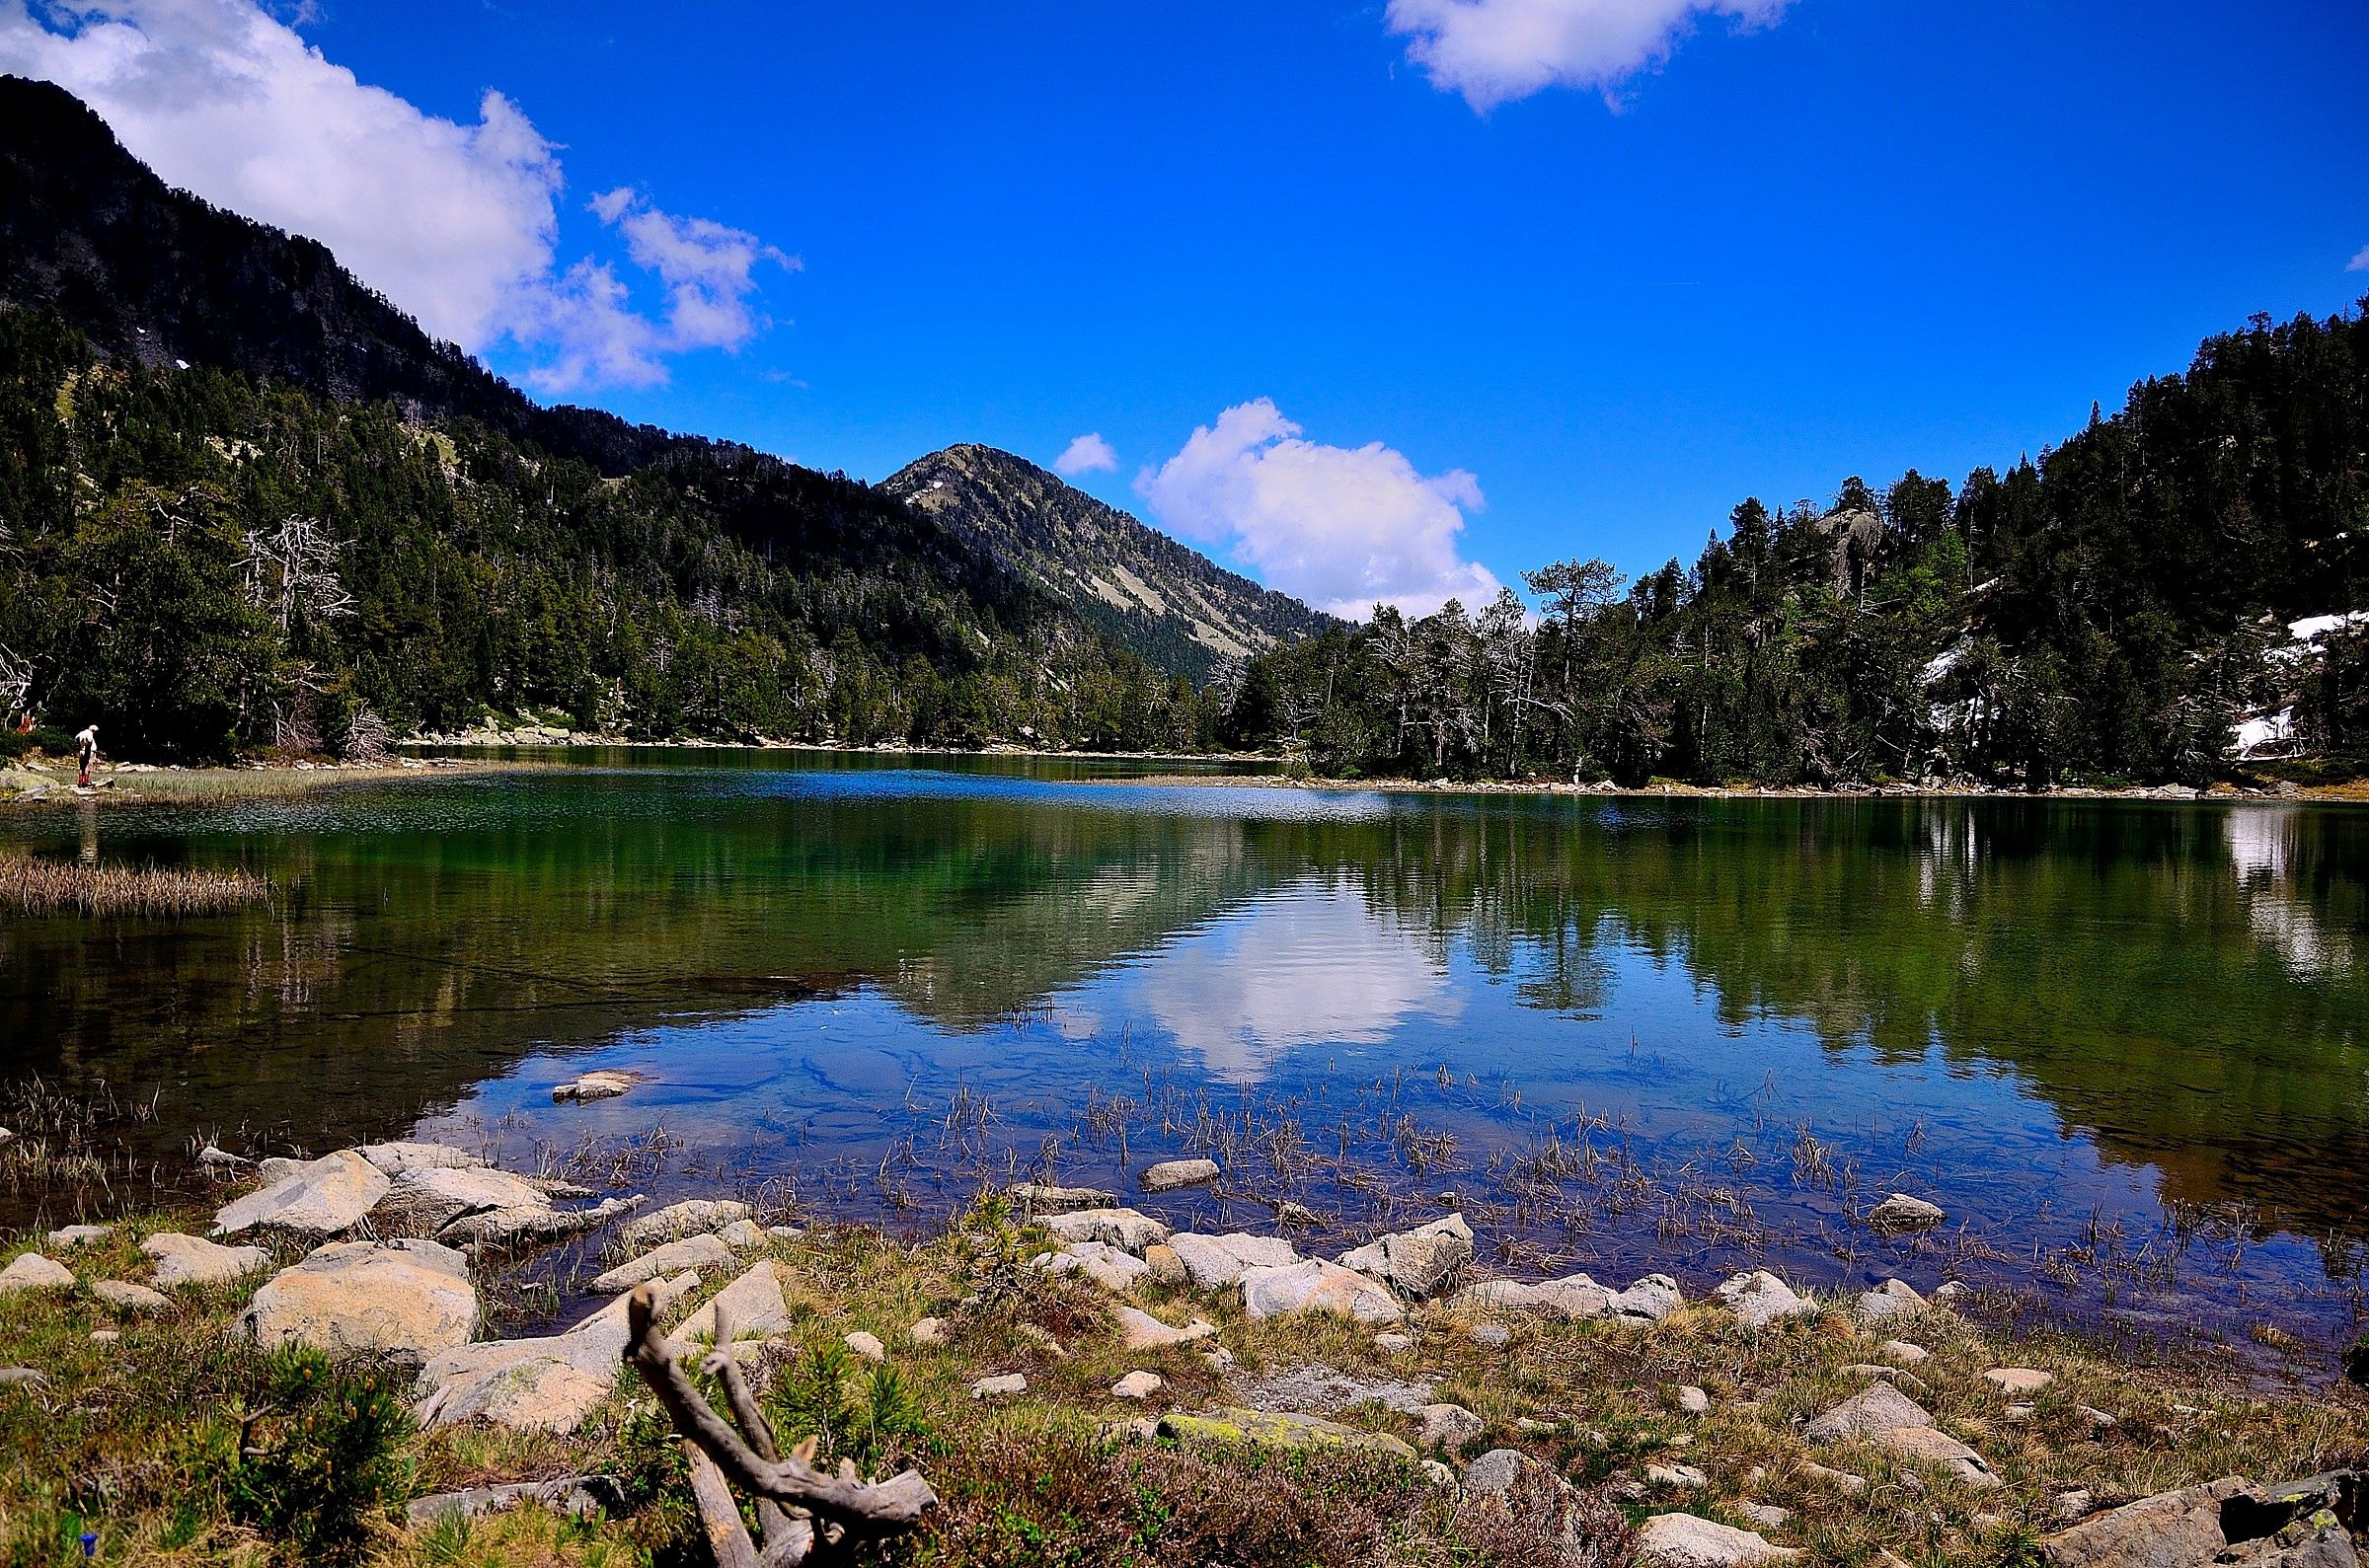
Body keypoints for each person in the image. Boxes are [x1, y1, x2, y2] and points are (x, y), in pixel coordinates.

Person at [75, 722, 98, 787]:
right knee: (87, 766)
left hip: (82, 750)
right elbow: (90, 740)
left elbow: (76, 738)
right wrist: (87, 745)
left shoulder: (82, 732)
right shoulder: (89, 733)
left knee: (81, 767)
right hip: (89, 751)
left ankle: (80, 782)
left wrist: (81, 745)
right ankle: (86, 782)